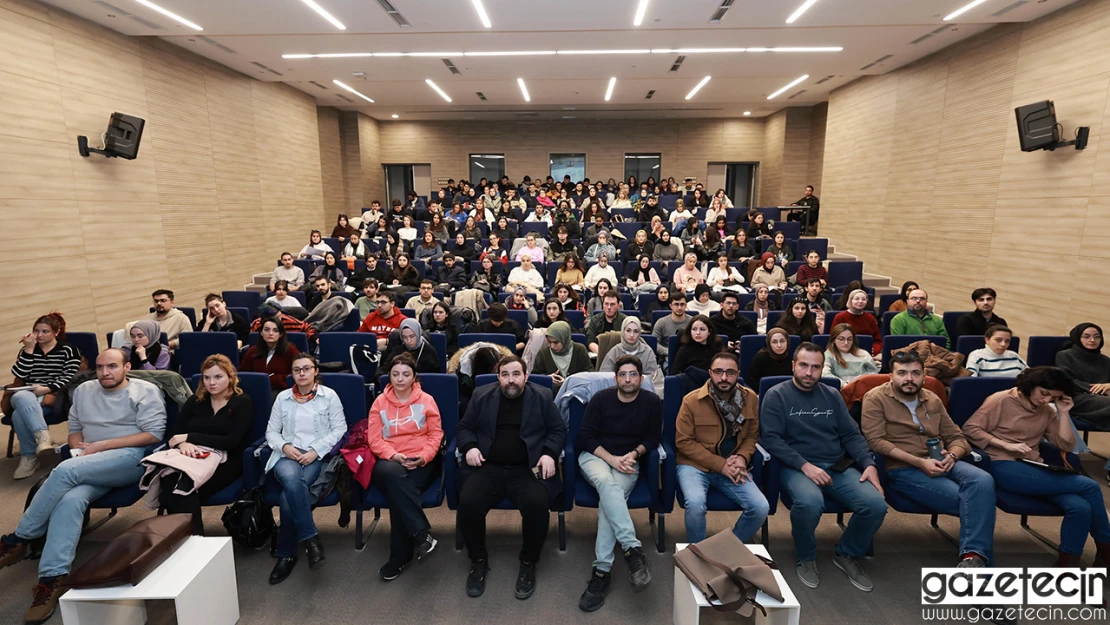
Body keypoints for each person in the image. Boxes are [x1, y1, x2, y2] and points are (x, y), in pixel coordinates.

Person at [0, 349, 165, 622]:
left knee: (64, 470)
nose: (105, 373)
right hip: (88, 460)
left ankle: (19, 539)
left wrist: (100, 447)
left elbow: (153, 435)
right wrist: (78, 448)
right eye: (100, 367)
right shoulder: (85, 390)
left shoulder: (145, 391)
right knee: (71, 499)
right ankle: (52, 578)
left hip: (130, 459)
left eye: (112, 366)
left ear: (127, 367)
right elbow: (74, 427)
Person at [759, 343, 887, 592]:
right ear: (793, 366)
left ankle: (847, 553)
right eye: (804, 366)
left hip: (836, 465)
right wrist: (805, 465)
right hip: (795, 466)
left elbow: (851, 434)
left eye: (815, 367)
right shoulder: (776, 395)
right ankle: (806, 556)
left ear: (822, 369)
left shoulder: (831, 395)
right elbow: (772, 439)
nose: (809, 372)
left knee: (875, 505)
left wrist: (868, 464)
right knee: (810, 502)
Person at [963, 367, 1110, 567]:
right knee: (1090, 486)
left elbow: (1066, 445)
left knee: (1080, 507)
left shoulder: (1047, 410)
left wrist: (1064, 413)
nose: (1046, 400)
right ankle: (1107, 551)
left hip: (1034, 467)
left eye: (1053, 397)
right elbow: (970, 429)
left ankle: (1067, 566)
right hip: (1002, 464)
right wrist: (1006, 444)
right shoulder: (1001, 400)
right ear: (1031, 386)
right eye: (1044, 393)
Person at [861, 350, 995, 567]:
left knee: (983, 481)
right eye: (902, 373)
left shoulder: (932, 398)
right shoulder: (876, 398)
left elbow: (957, 437)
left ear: (924, 376)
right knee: (973, 501)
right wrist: (919, 462)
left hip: (944, 460)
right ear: (891, 376)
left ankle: (973, 557)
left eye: (915, 373)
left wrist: (953, 455)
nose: (909, 379)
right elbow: (876, 442)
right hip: (904, 467)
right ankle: (979, 566)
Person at [456, 356, 567, 600]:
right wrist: (471, 447)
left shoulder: (542, 397)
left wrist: (549, 454)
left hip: (528, 467)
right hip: (489, 465)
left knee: (538, 505)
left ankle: (528, 561)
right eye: (505, 375)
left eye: (516, 374)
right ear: (498, 378)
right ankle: (478, 560)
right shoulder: (482, 395)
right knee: (469, 502)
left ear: (526, 377)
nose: (511, 380)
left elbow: (558, 430)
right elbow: (464, 428)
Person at [576, 356, 661, 612]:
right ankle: (632, 549)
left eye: (633, 374)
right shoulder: (601, 399)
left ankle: (601, 571)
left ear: (641, 378)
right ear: (615, 379)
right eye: (622, 375)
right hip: (596, 457)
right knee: (605, 482)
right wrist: (611, 459)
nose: (627, 379)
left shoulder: (651, 401)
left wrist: (633, 455)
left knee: (609, 501)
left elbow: (653, 437)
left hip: (628, 461)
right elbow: (585, 437)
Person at [264, 354, 346, 585]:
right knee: (292, 480)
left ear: (315, 371)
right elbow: (271, 432)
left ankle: (286, 554)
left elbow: (339, 429)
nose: (301, 373)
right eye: (297, 369)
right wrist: (285, 446)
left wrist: (316, 451)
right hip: (286, 456)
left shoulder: (329, 397)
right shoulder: (283, 398)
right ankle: (311, 541)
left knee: (288, 497)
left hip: (314, 457)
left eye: (306, 369)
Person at [675, 352, 770, 544]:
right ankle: (698, 552)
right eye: (718, 372)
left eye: (730, 372)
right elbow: (683, 442)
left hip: (734, 463)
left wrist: (743, 457)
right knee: (695, 504)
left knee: (760, 507)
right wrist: (721, 465)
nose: (724, 378)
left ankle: (727, 547)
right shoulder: (692, 401)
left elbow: (752, 435)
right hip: (695, 465)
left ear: (738, 373)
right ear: (710, 373)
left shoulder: (750, 398)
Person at [368, 352, 445, 580]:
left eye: (406, 374)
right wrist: (394, 455)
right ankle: (420, 533)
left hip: (421, 461)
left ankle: (400, 558)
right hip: (389, 461)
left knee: (398, 493)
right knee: (393, 476)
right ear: (389, 377)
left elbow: (436, 434)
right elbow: (374, 439)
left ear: (414, 377)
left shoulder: (426, 400)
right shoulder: (379, 402)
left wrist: (424, 456)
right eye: (395, 374)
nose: (400, 379)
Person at [159, 354, 254, 534]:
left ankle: (190, 540)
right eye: (207, 377)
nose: (212, 382)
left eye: (218, 377)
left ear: (230, 377)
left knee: (183, 488)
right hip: (191, 457)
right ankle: (190, 539)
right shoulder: (195, 401)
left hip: (227, 461)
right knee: (171, 480)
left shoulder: (242, 402)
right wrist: (182, 445)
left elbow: (232, 442)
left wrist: (190, 437)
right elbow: (174, 435)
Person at [6, 314, 82, 479]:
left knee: (19, 413)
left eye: (45, 331)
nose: (39, 335)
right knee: (21, 397)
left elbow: (71, 376)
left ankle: (29, 457)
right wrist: (28, 350)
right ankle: (43, 437)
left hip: (54, 395)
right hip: (27, 393)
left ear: (56, 332)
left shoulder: (68, 349)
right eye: (36, 331)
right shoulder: (28, 349)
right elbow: (19, 374)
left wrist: (47, 388)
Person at [1054, 323, 1110, 473]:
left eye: (1097, 337)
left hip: (1103, 401)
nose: (1092, 340)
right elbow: (1069, 381)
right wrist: (1098, 390)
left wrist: (1108, 385)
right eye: (1087, 336)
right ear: (1077, 338)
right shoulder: (1065, 356)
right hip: (1077, 398)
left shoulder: (1105, 360)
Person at [600, 317, 664, 390]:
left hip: (642, 392)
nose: (632, 335)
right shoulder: (614, 351)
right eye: (628, 331)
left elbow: (652, 378)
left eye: (636, 331)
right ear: (623, 331)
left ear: (639, 333)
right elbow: (604, 377)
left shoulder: (648, 352)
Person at [240, 317, 300, 393]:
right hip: (256, 389)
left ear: (280, 334)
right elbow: (243, 374)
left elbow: (298, 374)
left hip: (282, 390)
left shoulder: (290, 350)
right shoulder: (253, 350)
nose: (270, 333)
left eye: (275, 330)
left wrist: (276, 379)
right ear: (261, 332)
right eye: (266, 330)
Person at [532, 321, 591, 394]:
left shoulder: (579, 350)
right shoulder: (543, 353)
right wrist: (547, 378)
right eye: (550, 342)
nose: (552, 346)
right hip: (551, 394)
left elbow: (590, 374)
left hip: (576, 392)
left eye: (556, 342)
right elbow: (535, 377)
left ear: (564, 339)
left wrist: (570, 381)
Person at [831, 290, 883, 356]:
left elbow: (878, 341)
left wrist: (874, 349)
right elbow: (833, 339)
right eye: (857, 299)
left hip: (866, 353)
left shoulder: (870, 318)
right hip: (844, 352)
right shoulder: (840, 317)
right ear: (850, 300)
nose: (860, 301)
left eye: (863, 299)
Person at [653, 292, 692, 362]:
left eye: (682, 304)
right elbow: (654, 343)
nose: (679, 308)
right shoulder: (661, 322)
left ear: (686, 305)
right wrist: (668, 351)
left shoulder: (693, 322)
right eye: (676, 304)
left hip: (689, 356)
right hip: (667, 357)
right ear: (671, 306)